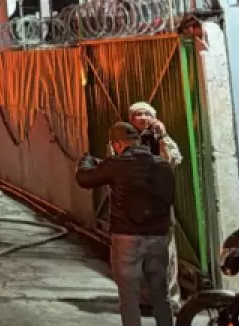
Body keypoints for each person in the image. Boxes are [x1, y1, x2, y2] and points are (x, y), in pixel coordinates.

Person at [77, 122, 177, 326]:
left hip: (126, 237)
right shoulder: (163, 165)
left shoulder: (116, 164)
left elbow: (85, 179)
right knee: (160, 292)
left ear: (118, 145)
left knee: (129, 295)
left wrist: (86, 162)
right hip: (158, 236)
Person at [127, 102, 182, 315]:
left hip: (160, 208)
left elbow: (174, 160)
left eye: (146, 114)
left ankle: (170, 301)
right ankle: (144, 300)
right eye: (137, 115)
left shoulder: (161, 139)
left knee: (166, 256)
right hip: (135, 209)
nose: (142, 118)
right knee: (138, 256)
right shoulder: (123, 141)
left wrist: (163, 137)